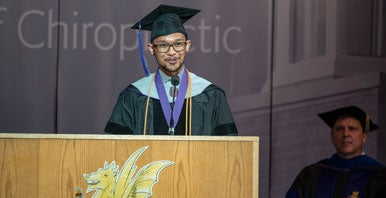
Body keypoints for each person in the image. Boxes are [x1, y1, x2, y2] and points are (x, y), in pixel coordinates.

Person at [104, 4, 238, 136]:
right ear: (152, 49)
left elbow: (228, 149)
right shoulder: (133, 95)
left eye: (178, 44)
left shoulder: (212, 95)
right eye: (163, 45)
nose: (172, 52)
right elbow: (115, 148)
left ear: (187, 46)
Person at [286, 106, 386, 198]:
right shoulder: (311, 174)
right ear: (332, 136)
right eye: (339, 129)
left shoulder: (380, 175)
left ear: (364, 137)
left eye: (352, 129)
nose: (346, 134)